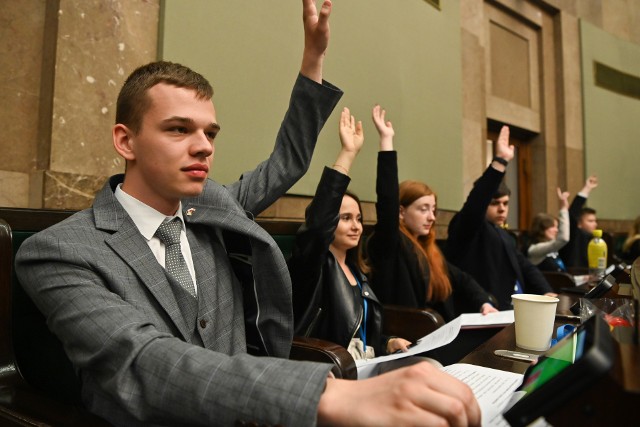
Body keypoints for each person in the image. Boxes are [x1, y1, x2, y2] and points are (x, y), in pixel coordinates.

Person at [15, 1, 482, 426]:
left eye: (210, 133)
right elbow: (141, 361)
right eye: (178, 129)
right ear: (125, 141)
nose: (202, 146)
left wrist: (313, 60)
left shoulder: (214, 208)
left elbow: (286, 163)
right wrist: (329, 397)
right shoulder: (57, 251)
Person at [288, 107, 411, 360]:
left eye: (358, 219)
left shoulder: (358, 271)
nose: (356, 226)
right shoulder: (313, 266)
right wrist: (347, 154)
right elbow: (318, 226)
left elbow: (361, 333)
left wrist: (387, 342)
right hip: (327, 369)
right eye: (345, 218)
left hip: (366, 365)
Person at [366, 105, 497, 322]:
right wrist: (386, 142)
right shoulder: (390, 242)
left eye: (433, 210)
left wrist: (484, 302)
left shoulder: (428, 248)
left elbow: (463, 279)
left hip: (436, 330)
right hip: (405, 335)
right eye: (423, 209)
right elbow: (386, 201)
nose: (432, 217)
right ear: (401, 211)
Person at [446, 126, 554, 310]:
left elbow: (525, 266)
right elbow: (475, 204)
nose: (502, 209)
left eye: (505, 204)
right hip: (488, 309)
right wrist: (500, 162)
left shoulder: (504, 234)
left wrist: (546, 291)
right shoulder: (468, 227)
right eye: (495, 203)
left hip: (515, 307)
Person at [559, 175, 599, 269]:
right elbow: (573, 214)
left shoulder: (595, 239)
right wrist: (587, 188)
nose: (595, 224)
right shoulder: (574, 234)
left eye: (595, 221)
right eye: (590, 221)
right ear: (579, 224)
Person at [526, 188, 571, 272]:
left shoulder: (553, 248)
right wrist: (563, 209)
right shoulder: (535, 250)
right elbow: (563, 239)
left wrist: (585, 278)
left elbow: (563, 277)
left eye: (557, 227)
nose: (557, 230)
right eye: (552, 226)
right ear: (541, 229)